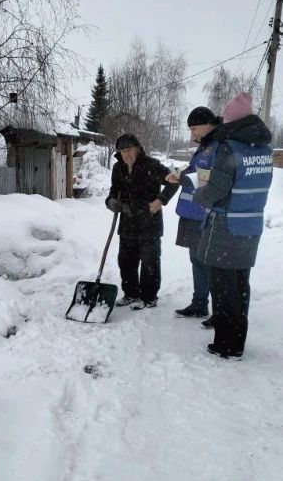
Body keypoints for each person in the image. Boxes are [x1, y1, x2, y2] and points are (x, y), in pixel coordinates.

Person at [191, 92, 273, 359]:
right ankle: (237, 340)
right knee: (240, 285)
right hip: (250, 226)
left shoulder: (230, 147)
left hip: (226, 227)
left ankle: (227, 345)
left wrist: (199, 193)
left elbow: (217, 189)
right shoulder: (263, 150)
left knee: (224, 287)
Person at [106, 133, 178, 309]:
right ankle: (130, 294)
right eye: (122, 151)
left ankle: (148, 297)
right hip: (127, 223)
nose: (126, 155)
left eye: (129, 150)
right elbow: (114, 191)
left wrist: (160, 200)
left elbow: (174, 181)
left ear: (138, 149)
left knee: (149, 263)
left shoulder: (151, 165)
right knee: (126, 261)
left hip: (149, 223)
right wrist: (111, 202)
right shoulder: (118, 168)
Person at [173, 106, 220, 321]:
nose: (192, 134)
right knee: (197, 260)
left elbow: (209, 180)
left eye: (194, 129)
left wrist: (183, 178)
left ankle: (219, 311)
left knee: (209, 263)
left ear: (208, 124)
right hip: (193, 213)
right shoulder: (205, 146)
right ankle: (199, 303)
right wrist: (181, 174)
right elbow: (196, 171)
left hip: (205, 214)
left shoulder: (218, 146)